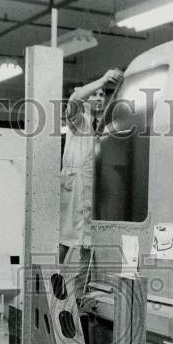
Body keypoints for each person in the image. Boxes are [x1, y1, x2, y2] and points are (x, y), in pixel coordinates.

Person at [59, 68, 123, 299]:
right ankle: (52, 284)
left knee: (87, 241)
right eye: (94, 94)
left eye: (102, 94)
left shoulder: (105, 125)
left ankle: (79, 293)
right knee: (66, 238)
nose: (98, 97)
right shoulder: (78, 120)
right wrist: (103, 79)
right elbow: (75, 98)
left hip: (95, 189)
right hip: (75, 185)